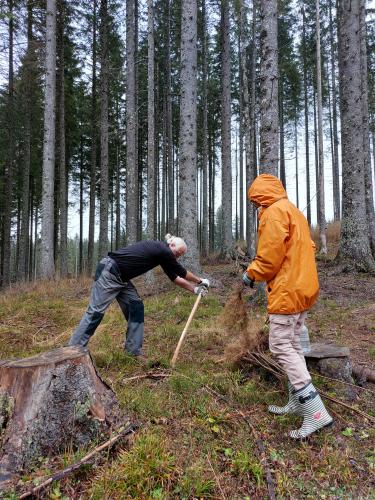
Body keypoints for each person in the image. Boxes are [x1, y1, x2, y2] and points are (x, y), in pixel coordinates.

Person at [242, 174, 333, 439]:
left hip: (288, 290)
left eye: (255, 202)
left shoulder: (273, 213)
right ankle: (297, 402)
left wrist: (252, 273)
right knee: (293, 344)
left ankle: (316, 412)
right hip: (304, 288)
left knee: (281, 345)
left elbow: (270, 256)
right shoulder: (294, 211)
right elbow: (309, 246)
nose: (256, 208)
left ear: (260, 197)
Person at [69, 234, 209, 359]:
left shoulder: (163, 255)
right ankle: (72, 351)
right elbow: (182, 272)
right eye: (178, 253)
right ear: (171, 245)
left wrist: (195, 289)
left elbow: (175, 278)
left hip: (122, 278)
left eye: (180, 256)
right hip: (110, 272)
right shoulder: (163, 250)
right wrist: (200, 280)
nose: (177, 257)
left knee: (136, 307)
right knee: (95, 313)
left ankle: (133, 351)